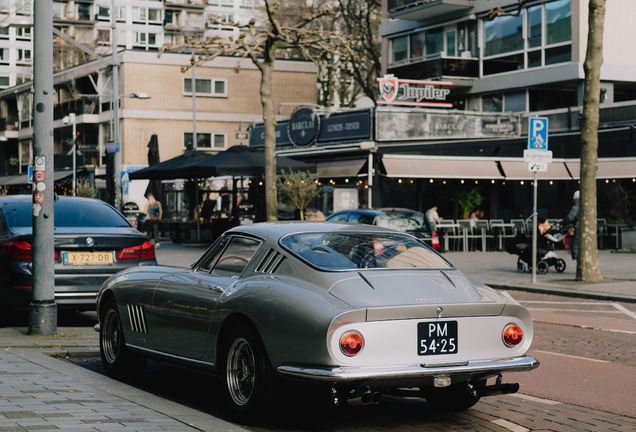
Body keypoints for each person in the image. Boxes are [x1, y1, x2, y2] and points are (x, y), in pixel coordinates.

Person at [559, 191, 580, 260]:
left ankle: (577, 259)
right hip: (581, 226)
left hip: (578, 228)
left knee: (575, 245)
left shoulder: (576, 207)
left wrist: (562, 222)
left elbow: (570, 218)